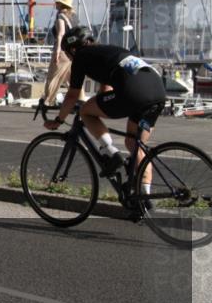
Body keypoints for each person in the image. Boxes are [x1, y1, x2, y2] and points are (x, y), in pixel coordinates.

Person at [43, 27, 166, 201]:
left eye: (68, 54)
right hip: (157, 91)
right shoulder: (109, 51)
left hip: (133, 92)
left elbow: (72, 95)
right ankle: (144, 198)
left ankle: (111, 153)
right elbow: (106, 89)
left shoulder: (81, 56)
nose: (69, 58)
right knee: (134, 144)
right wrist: (99, 104)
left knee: (86, 111)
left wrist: (58, 120)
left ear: (72, 49)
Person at [42, 0, 77, 105]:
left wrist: (57, 51)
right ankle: (78, 101)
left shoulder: (61, 16)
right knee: (71, 79)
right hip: (72, 52)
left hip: (62, 50)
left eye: (57, 2)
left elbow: (60, 33)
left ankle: (48, 101)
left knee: (53, 77)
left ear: (61, 4)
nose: (55, 4)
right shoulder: (74, 17)